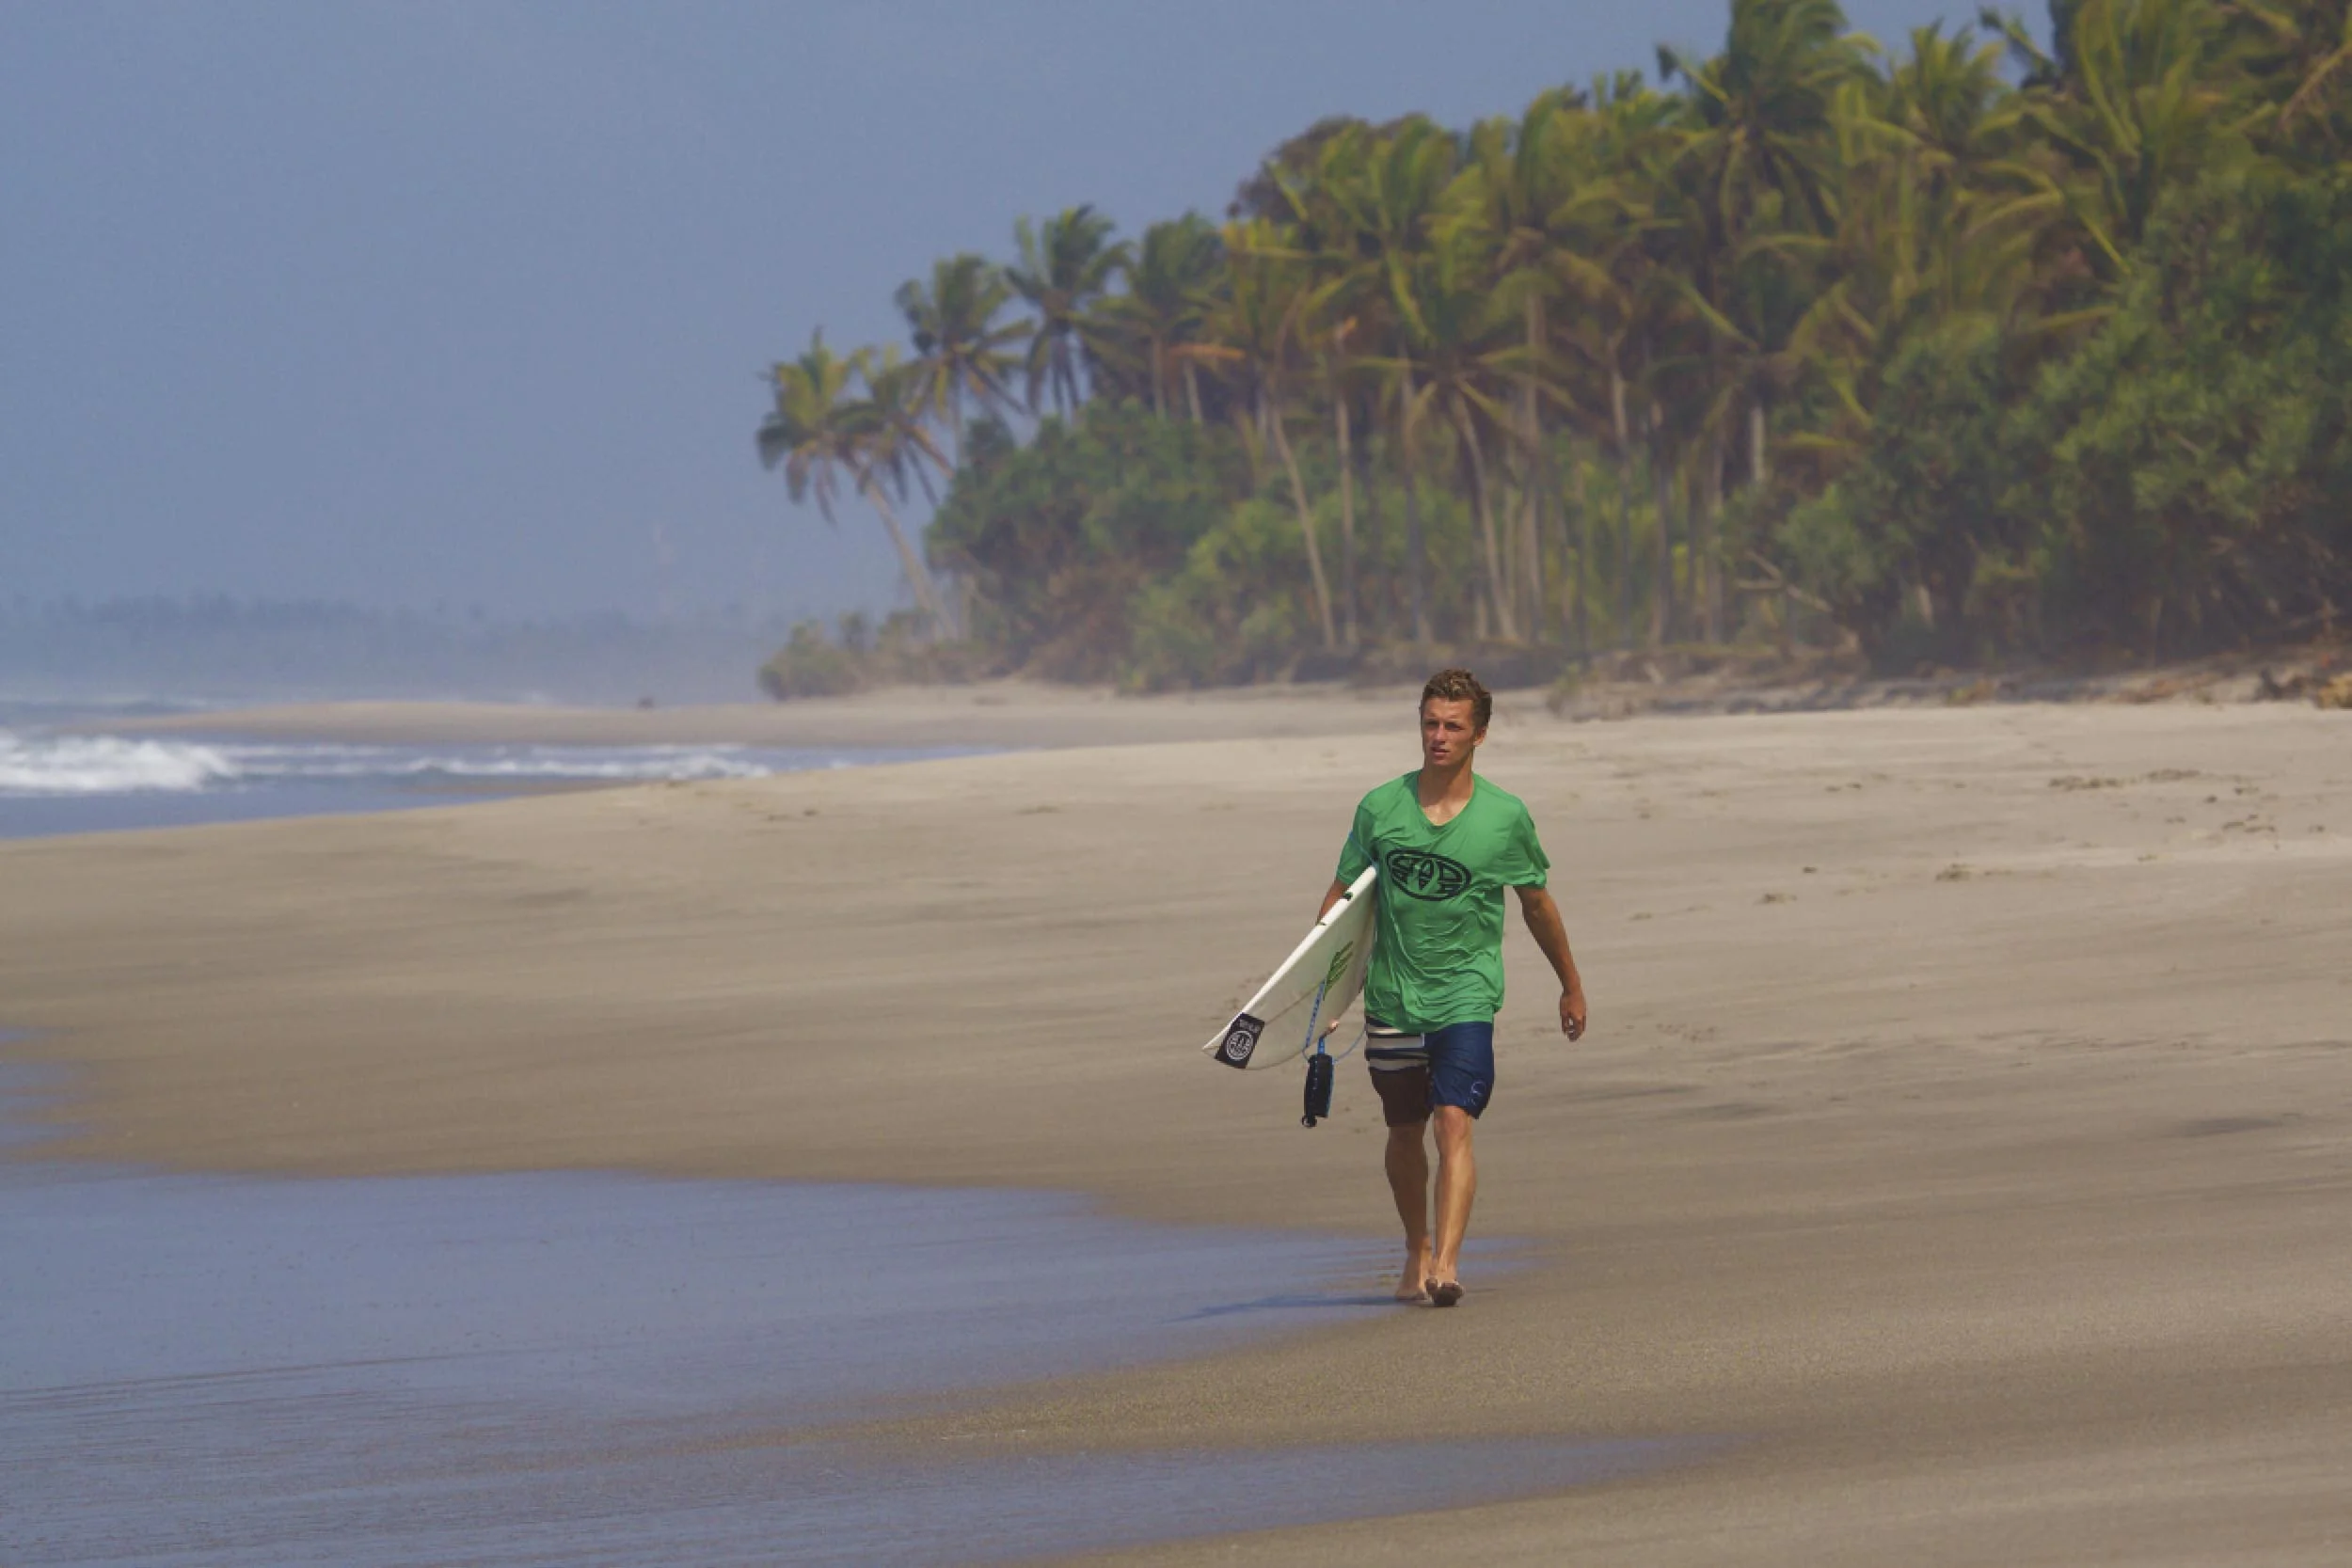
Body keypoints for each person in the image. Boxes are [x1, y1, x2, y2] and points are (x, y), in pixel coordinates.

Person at [1320, 667, 1587, 1307]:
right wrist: (1326, 994)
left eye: (1453, 726)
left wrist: (1570, 985)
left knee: (1453, 1121)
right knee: (1403, 1128)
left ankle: (1446, 1260)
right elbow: (1341, 899)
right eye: (1430, 723)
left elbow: (1537, 905)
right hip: (1390, 997)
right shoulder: (1380, 808)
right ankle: (1415, 1244)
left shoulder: (1504, 817)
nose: (1438, 736)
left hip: (1466, 995)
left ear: (1480, 735)